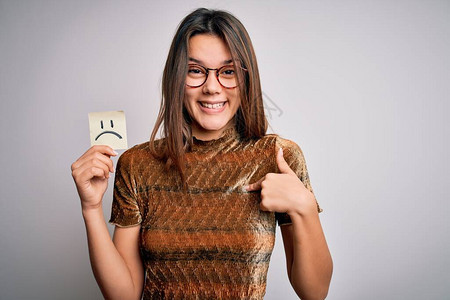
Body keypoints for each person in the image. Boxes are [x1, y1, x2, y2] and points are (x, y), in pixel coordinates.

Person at [71, 8, 332, 300]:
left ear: (246, 78)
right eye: (195, 71)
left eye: (228, 71)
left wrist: (304, 207)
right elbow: (124, 295)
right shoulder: (137, 165)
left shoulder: (278, 157)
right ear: (176, 78)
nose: (211, 87)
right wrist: (90, 208)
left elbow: (315, 293)